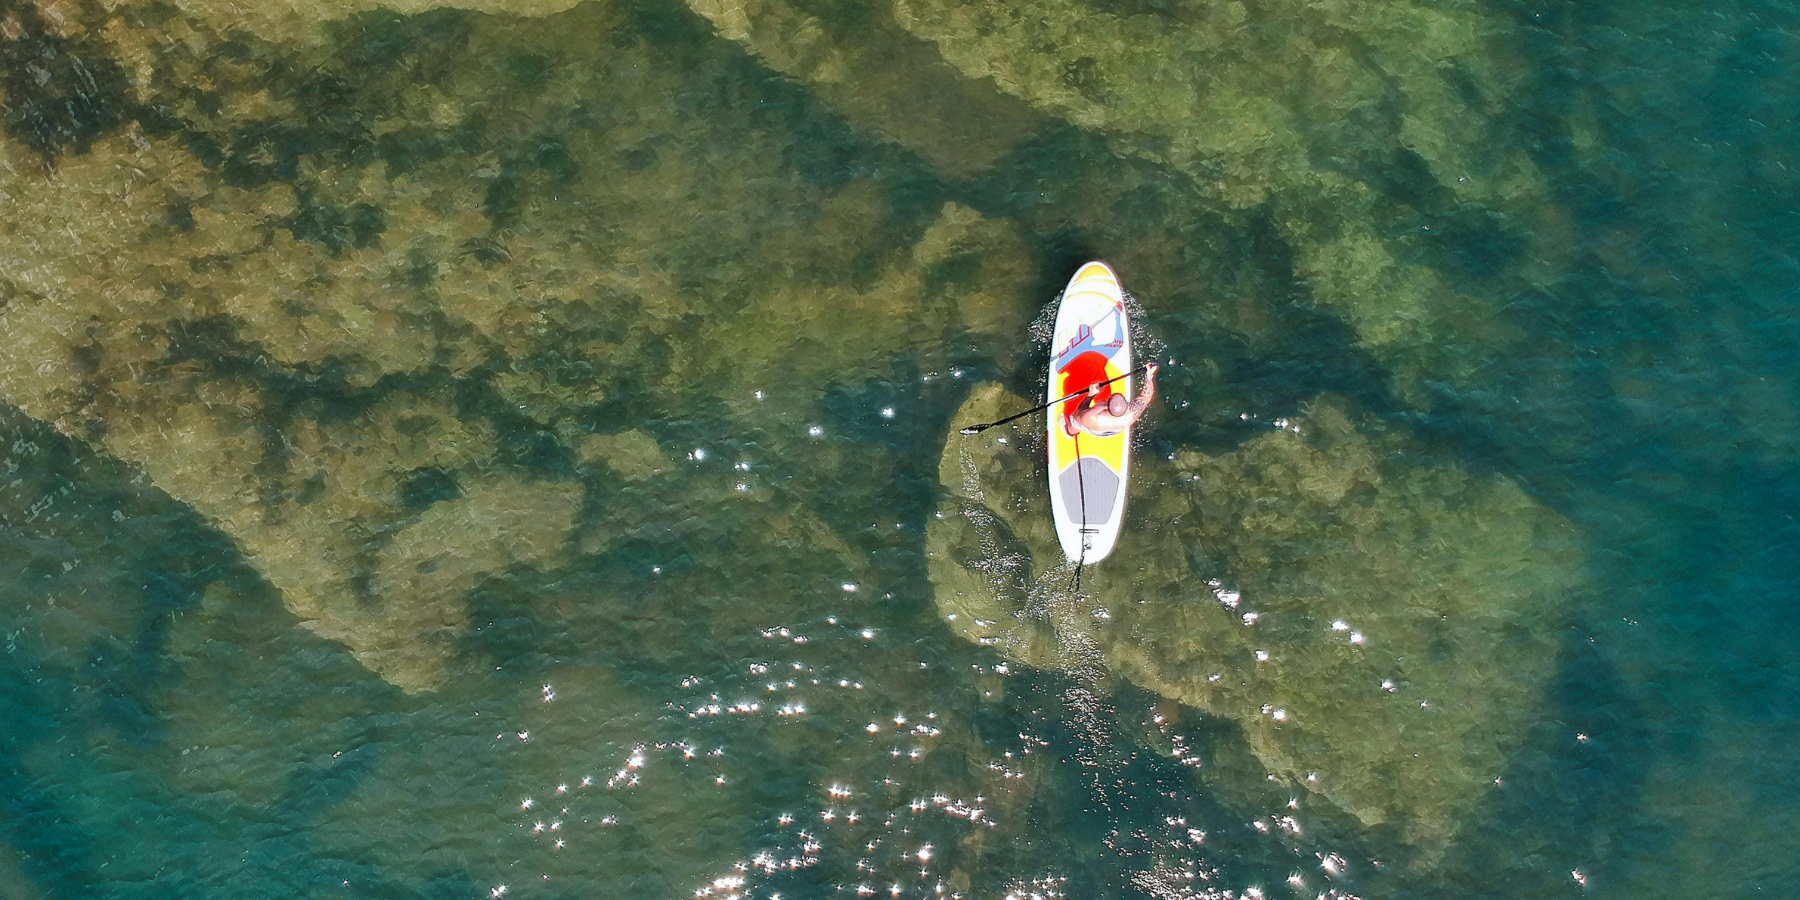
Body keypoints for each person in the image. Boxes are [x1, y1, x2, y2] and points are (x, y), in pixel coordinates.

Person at [1070, 362, 1157, 437]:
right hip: (1116, 429)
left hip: (1096, 429)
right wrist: (1149, 376)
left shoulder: (1092, 417)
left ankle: (1070, 431)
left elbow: (1078, 413)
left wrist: (1091, 394)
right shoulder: (1131, 414)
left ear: (1106, 406)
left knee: (1075, 422)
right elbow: (1146, 396)